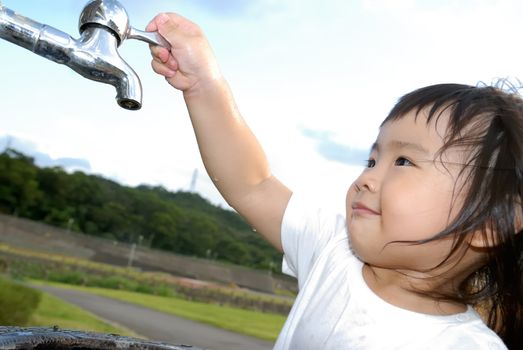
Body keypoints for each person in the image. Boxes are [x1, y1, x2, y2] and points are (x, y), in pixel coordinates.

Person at [146, 13, 522, 350]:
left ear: (488, 224)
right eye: (372, 159)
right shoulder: (332, 252)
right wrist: (203, 85)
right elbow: (253, 185)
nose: (368, 178)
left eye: (403, 161)